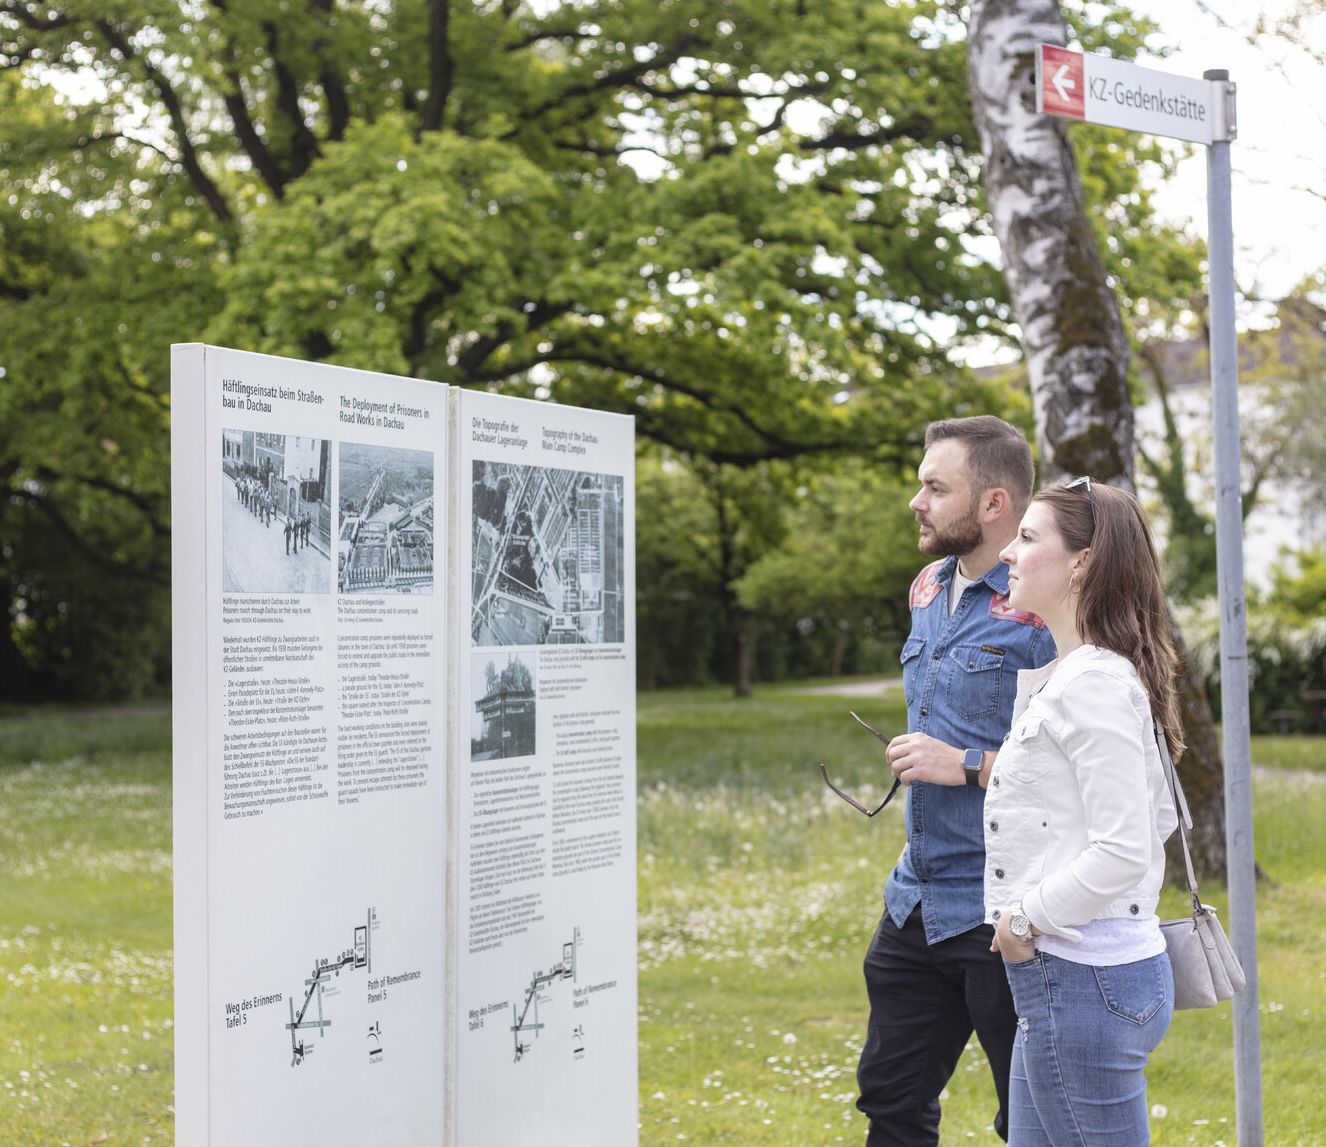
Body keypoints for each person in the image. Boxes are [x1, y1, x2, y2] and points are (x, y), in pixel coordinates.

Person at [857, 416, 1055, 1146]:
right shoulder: (925, 585)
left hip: (1005, 910)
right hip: (916, 901)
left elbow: (1083, 773)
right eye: (920, 484)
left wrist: (965, 762)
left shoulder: (1046, 608)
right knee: (891, 1103)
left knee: (1029, 1121)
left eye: (936, 487)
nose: (917, 500)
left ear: (994, 503)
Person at [986, 478, 1180, 1145]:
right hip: (1067, 981)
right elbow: (1148, 822)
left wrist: (1024, 914)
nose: (1008, 551)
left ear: (1083, 561)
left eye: (1029, 536)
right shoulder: (1076, 673)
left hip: (1083, 984)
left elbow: (1126, 846)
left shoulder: (1094, 681)